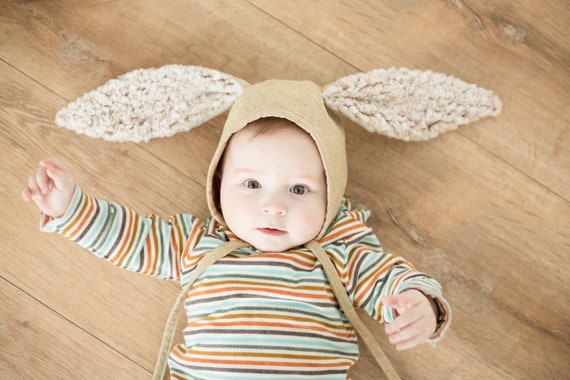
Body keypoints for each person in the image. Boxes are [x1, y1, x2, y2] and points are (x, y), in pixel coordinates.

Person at [23, 80, 450, 379]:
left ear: (331, 197)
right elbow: (134, 240)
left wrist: (419, 304)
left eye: (299, 189)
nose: (274, 206)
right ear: (218, 186)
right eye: (251, 184)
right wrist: (74, 210)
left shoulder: (339, 251)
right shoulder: (199, 244)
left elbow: (387, 276)